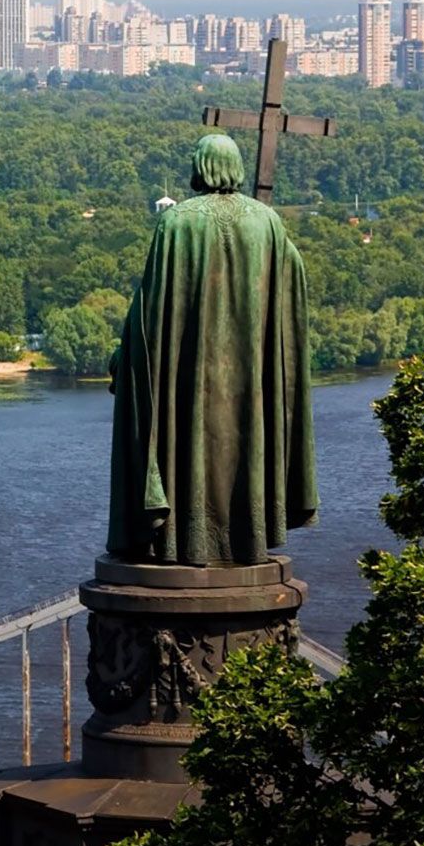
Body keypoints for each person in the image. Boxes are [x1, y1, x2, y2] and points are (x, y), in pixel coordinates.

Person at [107, 134, 317, 566]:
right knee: (244, 446)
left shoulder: (176, 223)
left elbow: (150, 313)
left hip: (187, 379)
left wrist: (124, 359)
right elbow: (292, 282)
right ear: (236, 168)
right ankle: (246, 539)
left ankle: (181, 543)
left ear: (199, 168)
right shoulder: (267, 223)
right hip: (251, 380)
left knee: (183, 443)